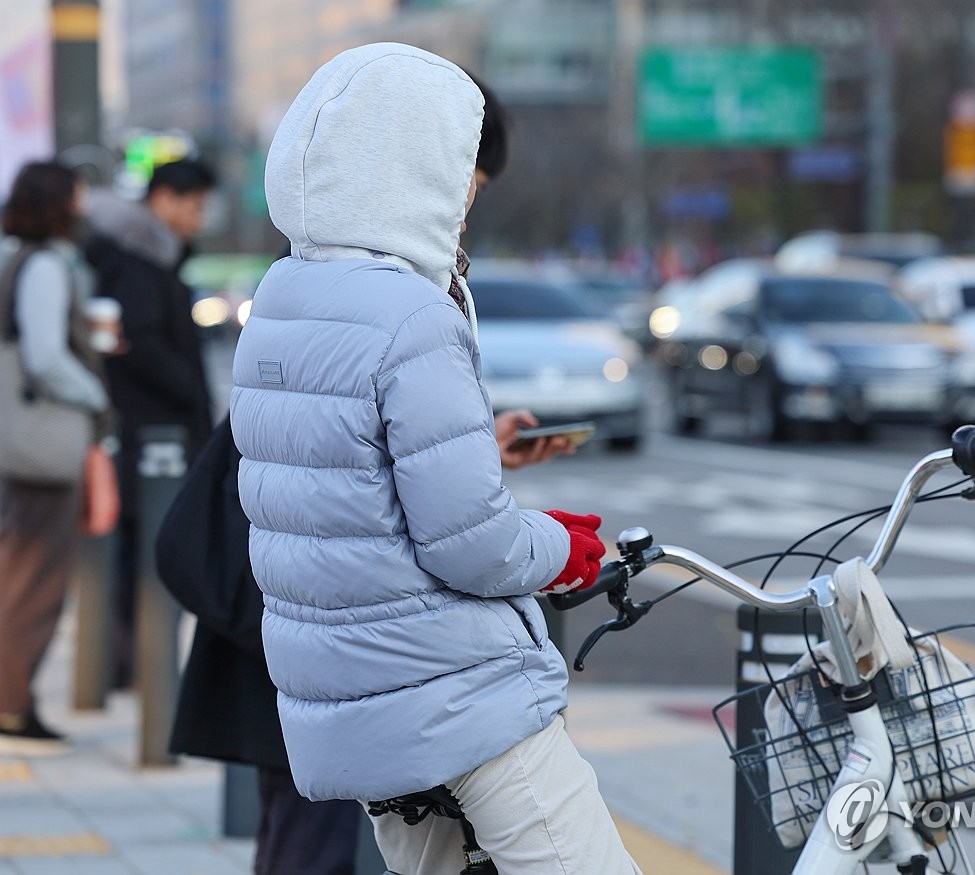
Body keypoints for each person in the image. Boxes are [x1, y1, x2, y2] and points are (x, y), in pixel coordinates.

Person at [228, 43, 638, 874]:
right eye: (456, 171)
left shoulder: (278, 299)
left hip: (344, 703)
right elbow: (469, 544)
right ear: (409, 163)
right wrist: (565, 547)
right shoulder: (412, 315)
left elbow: (350, 492)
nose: (462, 204)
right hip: (453, 692)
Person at [84, 159, 216, 685]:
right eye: (195, 206)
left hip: (150, 428)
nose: (199, 220)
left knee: (139, 547)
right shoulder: (138, 262)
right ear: (162, 199)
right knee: (143, 548)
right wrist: (188, 392)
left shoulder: (146, 257)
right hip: (150, 432)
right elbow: (140, 345)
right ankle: (131, 664)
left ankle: (131, 664)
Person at [0, 161, 114, 753]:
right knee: (35, 580)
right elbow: (44, 355)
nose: (83, 204)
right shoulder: (44, 265)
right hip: (43, 443)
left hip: (16, 439)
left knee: (17, 571)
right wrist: (95, 392)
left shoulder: (12, 254)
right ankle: (14, 704)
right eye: (76, 194)